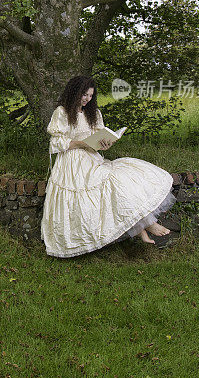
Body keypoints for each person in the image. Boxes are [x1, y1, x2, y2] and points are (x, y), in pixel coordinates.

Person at [41, 75, 176, 258]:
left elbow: (98, 138)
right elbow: (56, 143)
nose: (87, 99)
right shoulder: (62, 112)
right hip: (72, 163)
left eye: (90, 95)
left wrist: (106, 143)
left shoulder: (93, 113)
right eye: (84, 95)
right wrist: (82, 144)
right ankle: (144, 226)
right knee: (103, 186)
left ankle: (143, 225)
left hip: (93, 158)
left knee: (123, 178)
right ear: (74, 92)